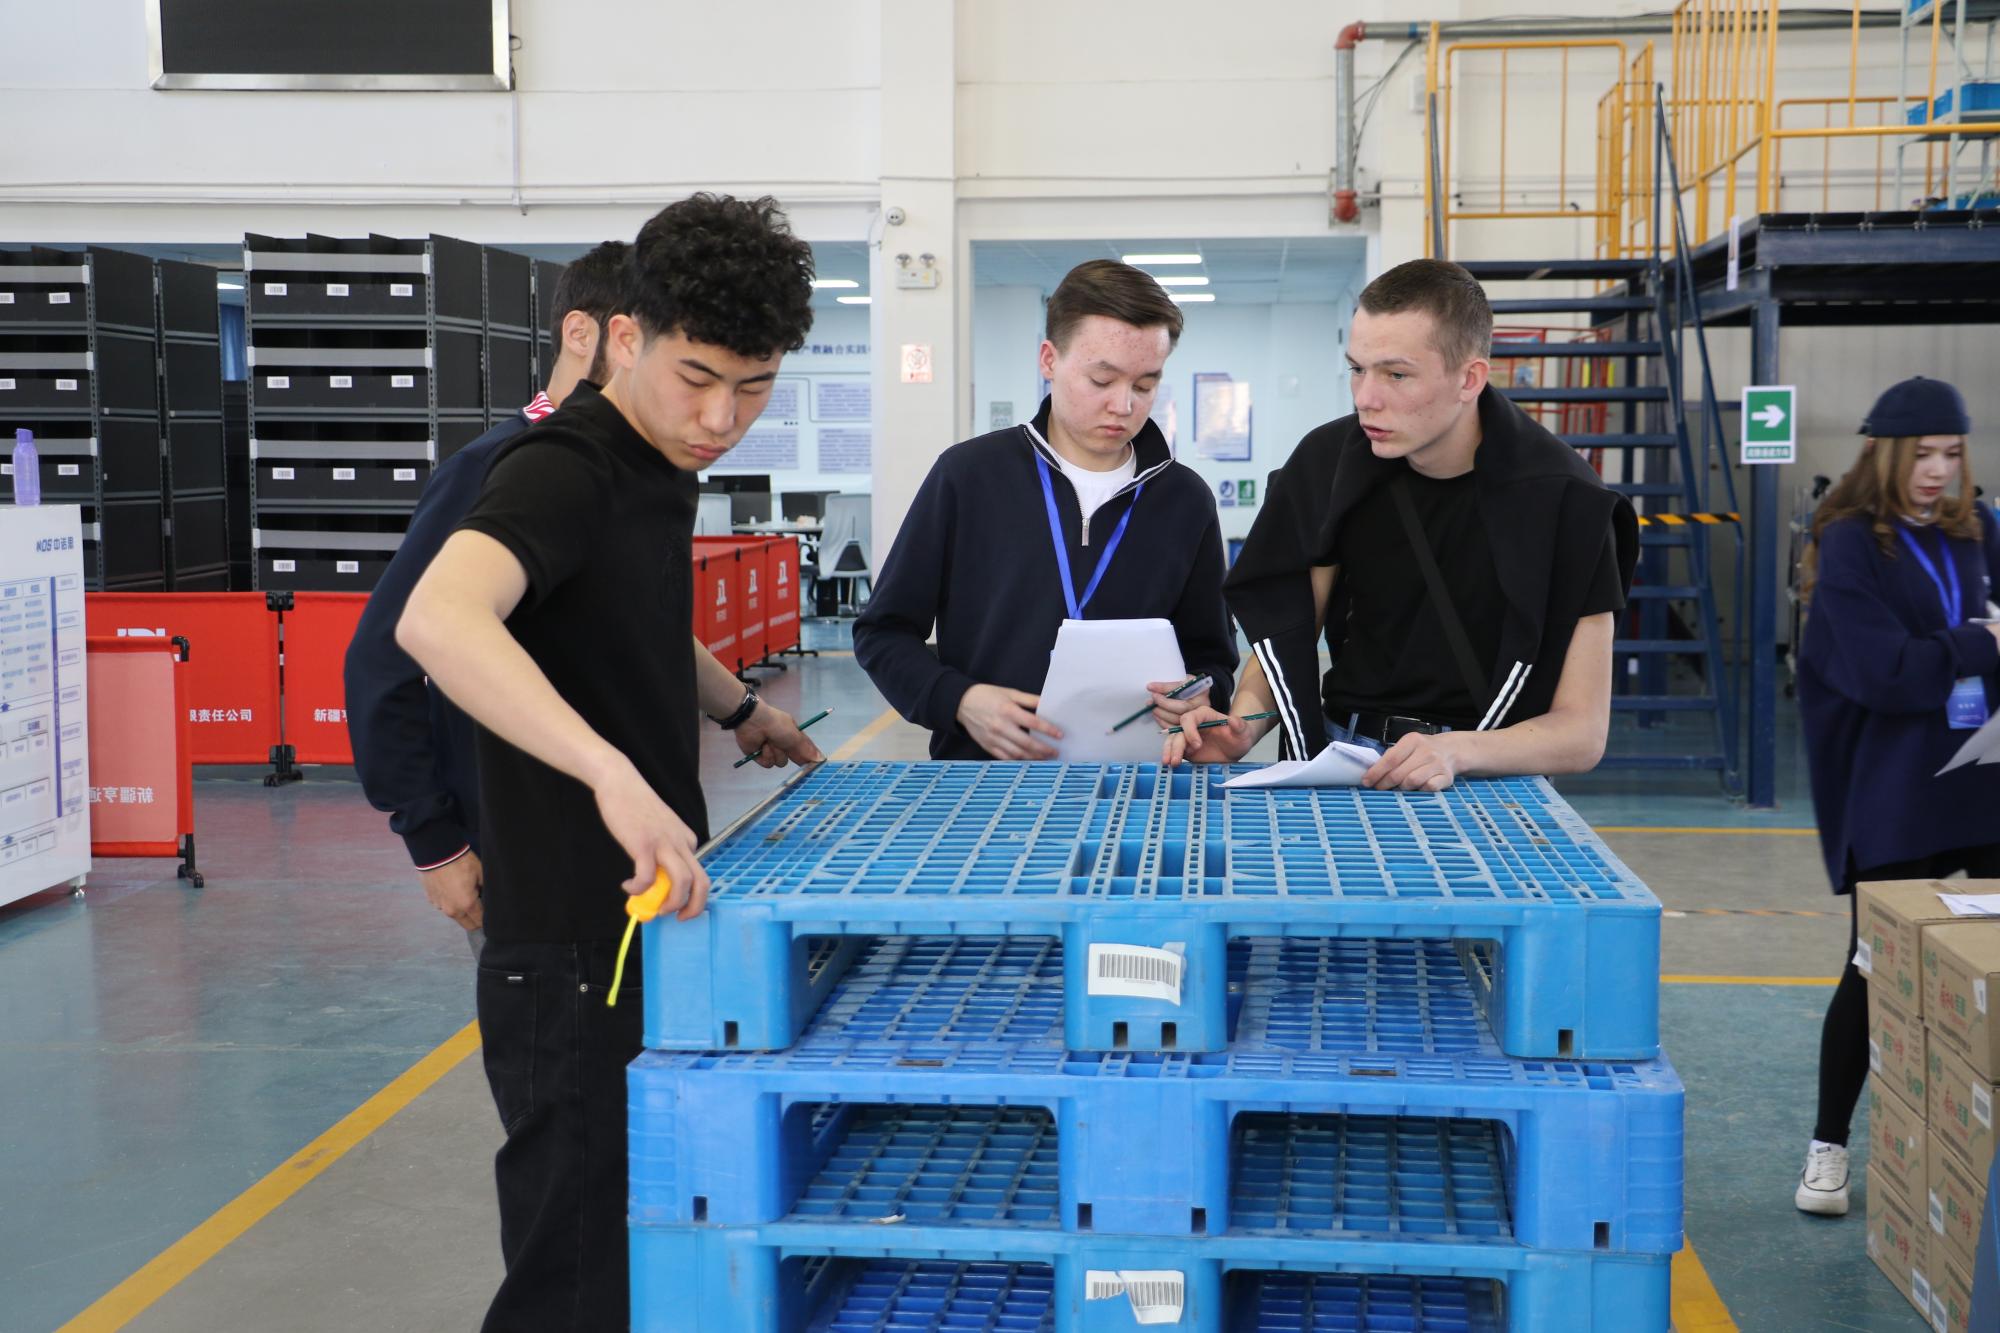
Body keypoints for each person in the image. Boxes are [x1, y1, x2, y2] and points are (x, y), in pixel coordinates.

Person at [395, 195, 824, 1332]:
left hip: (633, 912)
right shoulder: (565, 464)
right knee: (575, 1264)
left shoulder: (652, 457)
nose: (723, 418)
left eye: (754, 387)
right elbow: (438, 620)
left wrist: (739, 707)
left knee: (634, 1239)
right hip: (568, 943)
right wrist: (609, 771)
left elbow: (621, 611)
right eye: (698, 378)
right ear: (623, 338)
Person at [1172, 258, 1637, 788]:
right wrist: (1244, 724)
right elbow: (1290, 629)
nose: (1366, 398)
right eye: (1357, 369)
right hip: (1346, 758)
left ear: (1469, 379)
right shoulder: (1328, 465)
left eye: (1396, 375)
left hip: (1486, 770)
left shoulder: (1568, 502)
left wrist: (1456, 752)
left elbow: (1581, 733)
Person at [345, 241, 629, 949]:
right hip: (516, 844)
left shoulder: (616, 472)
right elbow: (381, 660)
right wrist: (434, 841)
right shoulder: (491, 472)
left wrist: (740, 709)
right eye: (638, 344)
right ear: (581, 333)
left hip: (605, 829)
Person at [854, 259, 1237, 759]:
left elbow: (1213, 661)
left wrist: (1198, 693)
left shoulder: (1185, 498)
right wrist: (960, 701)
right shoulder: (968, 476)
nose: (1124, 406)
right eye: (1102, 380)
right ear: (1049, 360)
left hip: (1140, 779)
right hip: (984, 778)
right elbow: (882, 633)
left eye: (1145, 385)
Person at [1792, 376, 2000, 1217]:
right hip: (1896, 785)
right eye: (1922, 455)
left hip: (1982, 775)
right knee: (1873, 966)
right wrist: (1979, 642)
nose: (1937, 471)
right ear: (1884, 453)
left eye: (1951, 454)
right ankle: (1828, 1149)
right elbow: (1884, 674)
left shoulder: (1977, 528)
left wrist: (1956, 650)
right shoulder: (1849, 541)